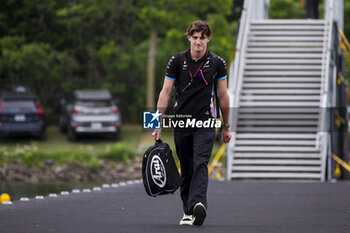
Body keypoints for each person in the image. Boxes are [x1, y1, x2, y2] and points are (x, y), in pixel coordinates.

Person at [152, 20, 232, 226]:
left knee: (200, 162)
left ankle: (198, 203)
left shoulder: (217, 62)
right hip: (181, 121)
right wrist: (156, 123)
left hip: (206, 121)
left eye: (202, 37)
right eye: (195, 37)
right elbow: (165, 92)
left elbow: (223, 95)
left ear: (208, 39)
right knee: (186, 167)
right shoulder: (177, 61)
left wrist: (226, 126)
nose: (198, 41)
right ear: (189, 37)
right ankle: (188, 212)